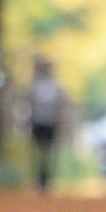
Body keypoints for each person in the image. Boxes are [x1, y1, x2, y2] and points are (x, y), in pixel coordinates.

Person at [27, 54, 68, 191]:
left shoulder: (54, 87)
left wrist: (60, 121)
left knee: (47, 151)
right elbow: (31, 105)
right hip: (39, 122)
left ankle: (46, 179)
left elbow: (59, 105)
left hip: (50, 122)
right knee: (39, 151)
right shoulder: (36, 86)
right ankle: (39, 178)